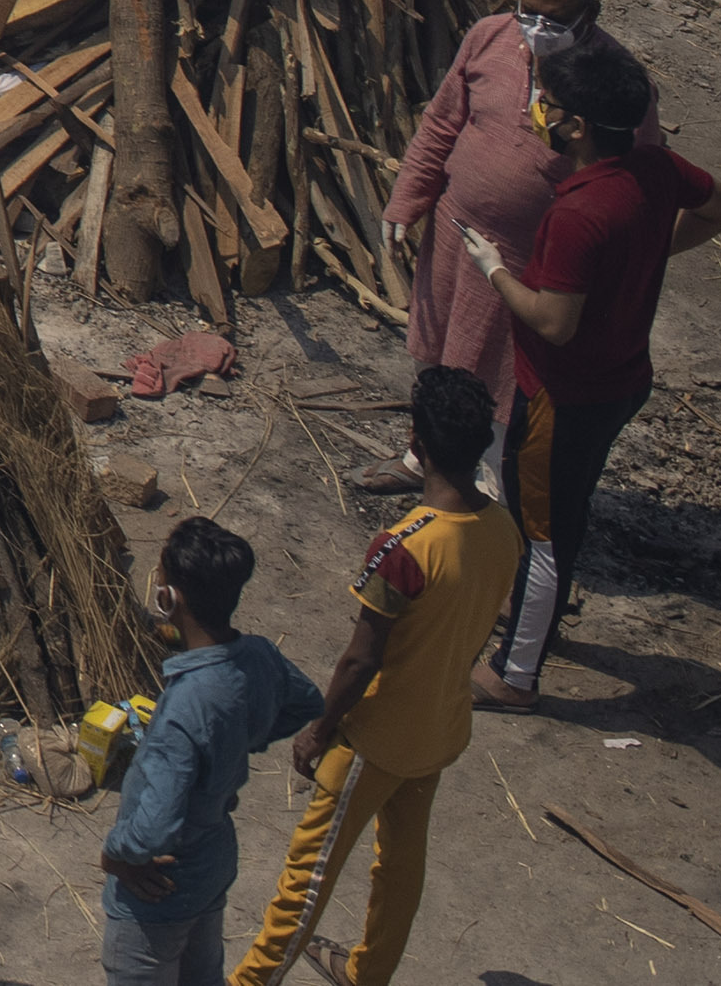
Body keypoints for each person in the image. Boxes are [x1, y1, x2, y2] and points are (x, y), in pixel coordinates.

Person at [227, 367, 517, 986]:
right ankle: (368, 973)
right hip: (439, 729)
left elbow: (362, 658)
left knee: (306, 878)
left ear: (417, 441)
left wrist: (320, 729)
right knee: (401, 866)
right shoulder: (503, 531)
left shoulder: (403, 547)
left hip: (376, 738)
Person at [471, 29, 721, 704]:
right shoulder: (655, 168)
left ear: (577, 125)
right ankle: (537, 625)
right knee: (569, 510)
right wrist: (650, 254)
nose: (540, 110)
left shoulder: (579, 213)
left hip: (563, 393)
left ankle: (515, 674)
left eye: (549, 102)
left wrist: (495, 270)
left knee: (542, 531)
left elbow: (554, 320)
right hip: (624, 379)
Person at [391, 0, 639, 405]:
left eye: (557, 19)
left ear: (592, 13)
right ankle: (424, 454)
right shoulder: (488, 38)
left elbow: (635, 178)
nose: (539, 29)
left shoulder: (611, 81)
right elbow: (442, 122)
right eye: (530, 12)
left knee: (507, 376)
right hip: (455, 231)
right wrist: (409, 196)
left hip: (534, 259)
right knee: (434, 349)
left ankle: (490, 471)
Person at [106, 520, 324, 986]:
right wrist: (238, 740)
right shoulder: (259, 656)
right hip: (214, 862)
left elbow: (155, 826)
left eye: (160, 577)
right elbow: (306, 701)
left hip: (162, 889)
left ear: (171, 597)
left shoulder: (184, 709)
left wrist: (117, 855)